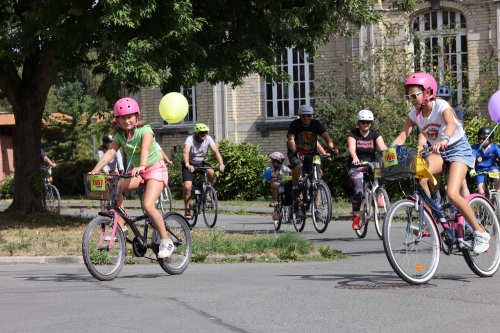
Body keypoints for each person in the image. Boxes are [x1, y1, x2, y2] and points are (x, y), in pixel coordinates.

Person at [391, 72, 489, 254]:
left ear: (427, 92)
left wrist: (444, 138)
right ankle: (433, 217)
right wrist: (391, 150)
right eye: (409, 96)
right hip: (439, 151)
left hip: (457, 148)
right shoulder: (414, 114)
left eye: (414, 95)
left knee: (452, 193)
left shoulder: (441, 105)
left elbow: (450, 124)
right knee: (420, 175)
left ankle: (480, 232)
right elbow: (403, 135)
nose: (411, 100)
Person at [90, 97, 174, 259]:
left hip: (155, 169)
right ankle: (121, 226)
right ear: (117, 120)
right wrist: (96, 169)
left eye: (129, 117)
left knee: (148, 206)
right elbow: (110, 153)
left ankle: (166, 240)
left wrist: (142, 165)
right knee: (115, 187)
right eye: (122, 117)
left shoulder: (146, 130)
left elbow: (146, 148)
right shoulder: (121, 135)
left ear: (137, 116)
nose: (126, 120)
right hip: (139, 172)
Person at [417, 85, 470, 200]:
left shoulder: (455, 112)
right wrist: (420, 150)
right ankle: (436, 196)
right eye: (439, 98)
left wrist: (445, 139)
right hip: (436, 151)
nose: (442, 102)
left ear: (449, 101)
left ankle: (468, 206)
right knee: (429, 171)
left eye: (445, 99)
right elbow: (421, 138)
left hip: (453, 148)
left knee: (461, 182)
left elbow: (456, 129)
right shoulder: (424, 115)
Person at [287, 105, 339, 203]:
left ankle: (317, 208)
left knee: (318, 177)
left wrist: (332, 148)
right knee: (299, 164)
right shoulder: (295, 124)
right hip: (296, 153)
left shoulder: (316, 124)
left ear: (312, 115)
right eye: (304, 116)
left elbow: (326, 137)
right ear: (300, 116)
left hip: (311, 154)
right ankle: (295, 188)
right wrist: (295, 152)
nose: (306, 118)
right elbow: (291, 140)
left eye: (309, 115)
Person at [347, 109, 388, 230]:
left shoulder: (375, 134)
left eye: (368, 122)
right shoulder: (353, 134)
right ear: (359, 122)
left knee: (380, 168)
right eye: (363, 122)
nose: (366, 124)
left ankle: (379, 193)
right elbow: (351, 148)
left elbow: (382, 147)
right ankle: (356, 217)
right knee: (358, 190)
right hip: (356, 165)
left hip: (371, 164)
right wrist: (354, 157)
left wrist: (389, 154)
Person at [182, 123, 225, 219]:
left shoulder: (208, 139)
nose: (204, 134)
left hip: (200, 163)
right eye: (202, 133)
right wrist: (187, 165)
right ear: (196, 133)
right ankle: (187, 209)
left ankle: (208, 192)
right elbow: (185, 152)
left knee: (211, 172)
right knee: (187, 186)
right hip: (189, 163)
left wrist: (221, 163)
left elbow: (216, 151)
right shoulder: (190, 139)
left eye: (205, 132)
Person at [470, 126, 500, 195]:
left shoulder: (494, 147)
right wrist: (472, 169)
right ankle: (480, 204)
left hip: (491, 168)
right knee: (481, 193)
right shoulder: (475, 148)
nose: (481, 140)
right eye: (480, 138)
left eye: (484, 138)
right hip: (480, 171)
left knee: (497, 176)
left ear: (490, 139)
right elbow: (473, 158)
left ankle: (497, 197)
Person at [97, 134, 124, 211]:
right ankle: (102, 210)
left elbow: (119, 160)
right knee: (102, 192)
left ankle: (116, 206)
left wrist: (121, 170)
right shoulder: (101, 151)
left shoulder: (116, 150)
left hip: (113, 170)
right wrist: (106, 173)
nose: (112, 143)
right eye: (109, 142)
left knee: (117, 187)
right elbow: (102, 162)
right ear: (105, 143)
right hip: (103, 171)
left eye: (112, 141)